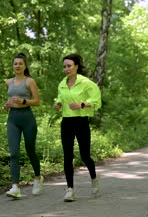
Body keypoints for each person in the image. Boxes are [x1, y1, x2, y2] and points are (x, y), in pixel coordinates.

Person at [54, 53, 101, 202]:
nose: (66, 69)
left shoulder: (86, 83)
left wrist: (81, 104)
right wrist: (59, 103)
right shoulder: (62, 83)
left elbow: (96, 99)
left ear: (76, 67)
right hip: (66, 122)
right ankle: (70, 190)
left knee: (85, 156)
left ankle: (94, 177)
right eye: (64, 66)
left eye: (69, 66)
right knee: (67, 156)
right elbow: (61, 96)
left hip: (81, 121)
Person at [3, 53, 43, 198]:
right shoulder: (8, 82)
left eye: (20, 63)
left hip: (27, 119)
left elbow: (37, 101)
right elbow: (11, 97)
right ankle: (15, 187)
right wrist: (8, 104)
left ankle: (38, 178)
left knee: (30, 150)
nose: (17, 66)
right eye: (15, 64)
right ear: (12, 66)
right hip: (13, 119)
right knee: (13, 153)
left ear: (25, 65)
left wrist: (24, 101)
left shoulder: (29, 81)